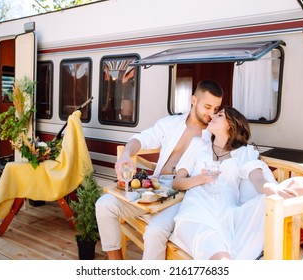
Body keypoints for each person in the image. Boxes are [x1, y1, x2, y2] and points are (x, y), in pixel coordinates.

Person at [96, 79, 224, 260]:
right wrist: (126, 155)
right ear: (194, 100)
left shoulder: (212, 137)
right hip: (153, 186)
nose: (211, 114)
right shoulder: (170, 123)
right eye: (208, 107)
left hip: (182, 195)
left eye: (216, 109)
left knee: (155, 231)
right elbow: (141, 139)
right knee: (104, 204)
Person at [169, 106, 303, 260]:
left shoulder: (244, 153)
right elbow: (177, 183)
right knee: (221, 259)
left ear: (231, 125)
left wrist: (274, 190)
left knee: (273, 199)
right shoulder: (198, 147)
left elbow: (258, 179)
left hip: (229, 215)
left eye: (219, 115)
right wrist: (200, 179)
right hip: (197, 212)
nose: (212, 116)